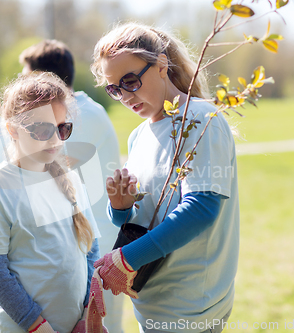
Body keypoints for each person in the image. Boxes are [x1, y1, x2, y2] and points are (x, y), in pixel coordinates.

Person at [90, 23, 239, 333]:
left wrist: (127, 259)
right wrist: (120, 208)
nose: (124, 96)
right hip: (153, 303)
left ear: (160, 65)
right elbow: (137, 220)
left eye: (130, 81)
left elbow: (201, 209)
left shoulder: (199, 119)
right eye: (114, 88)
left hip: (192, 306)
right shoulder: (137, 136)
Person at [0, 72, 105, 333]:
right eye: (42, 129)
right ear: (12, 129)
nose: (55, 140)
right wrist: (38, 326)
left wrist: (86, 316)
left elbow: (90, 252)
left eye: (63, 128)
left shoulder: (72, 179)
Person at [19, 39, 124, 333]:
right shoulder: (66, 114)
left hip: (98, 245)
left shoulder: (81, 116)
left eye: (26, 77)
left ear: (44, 80)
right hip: (81, 241)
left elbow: (37, 174)